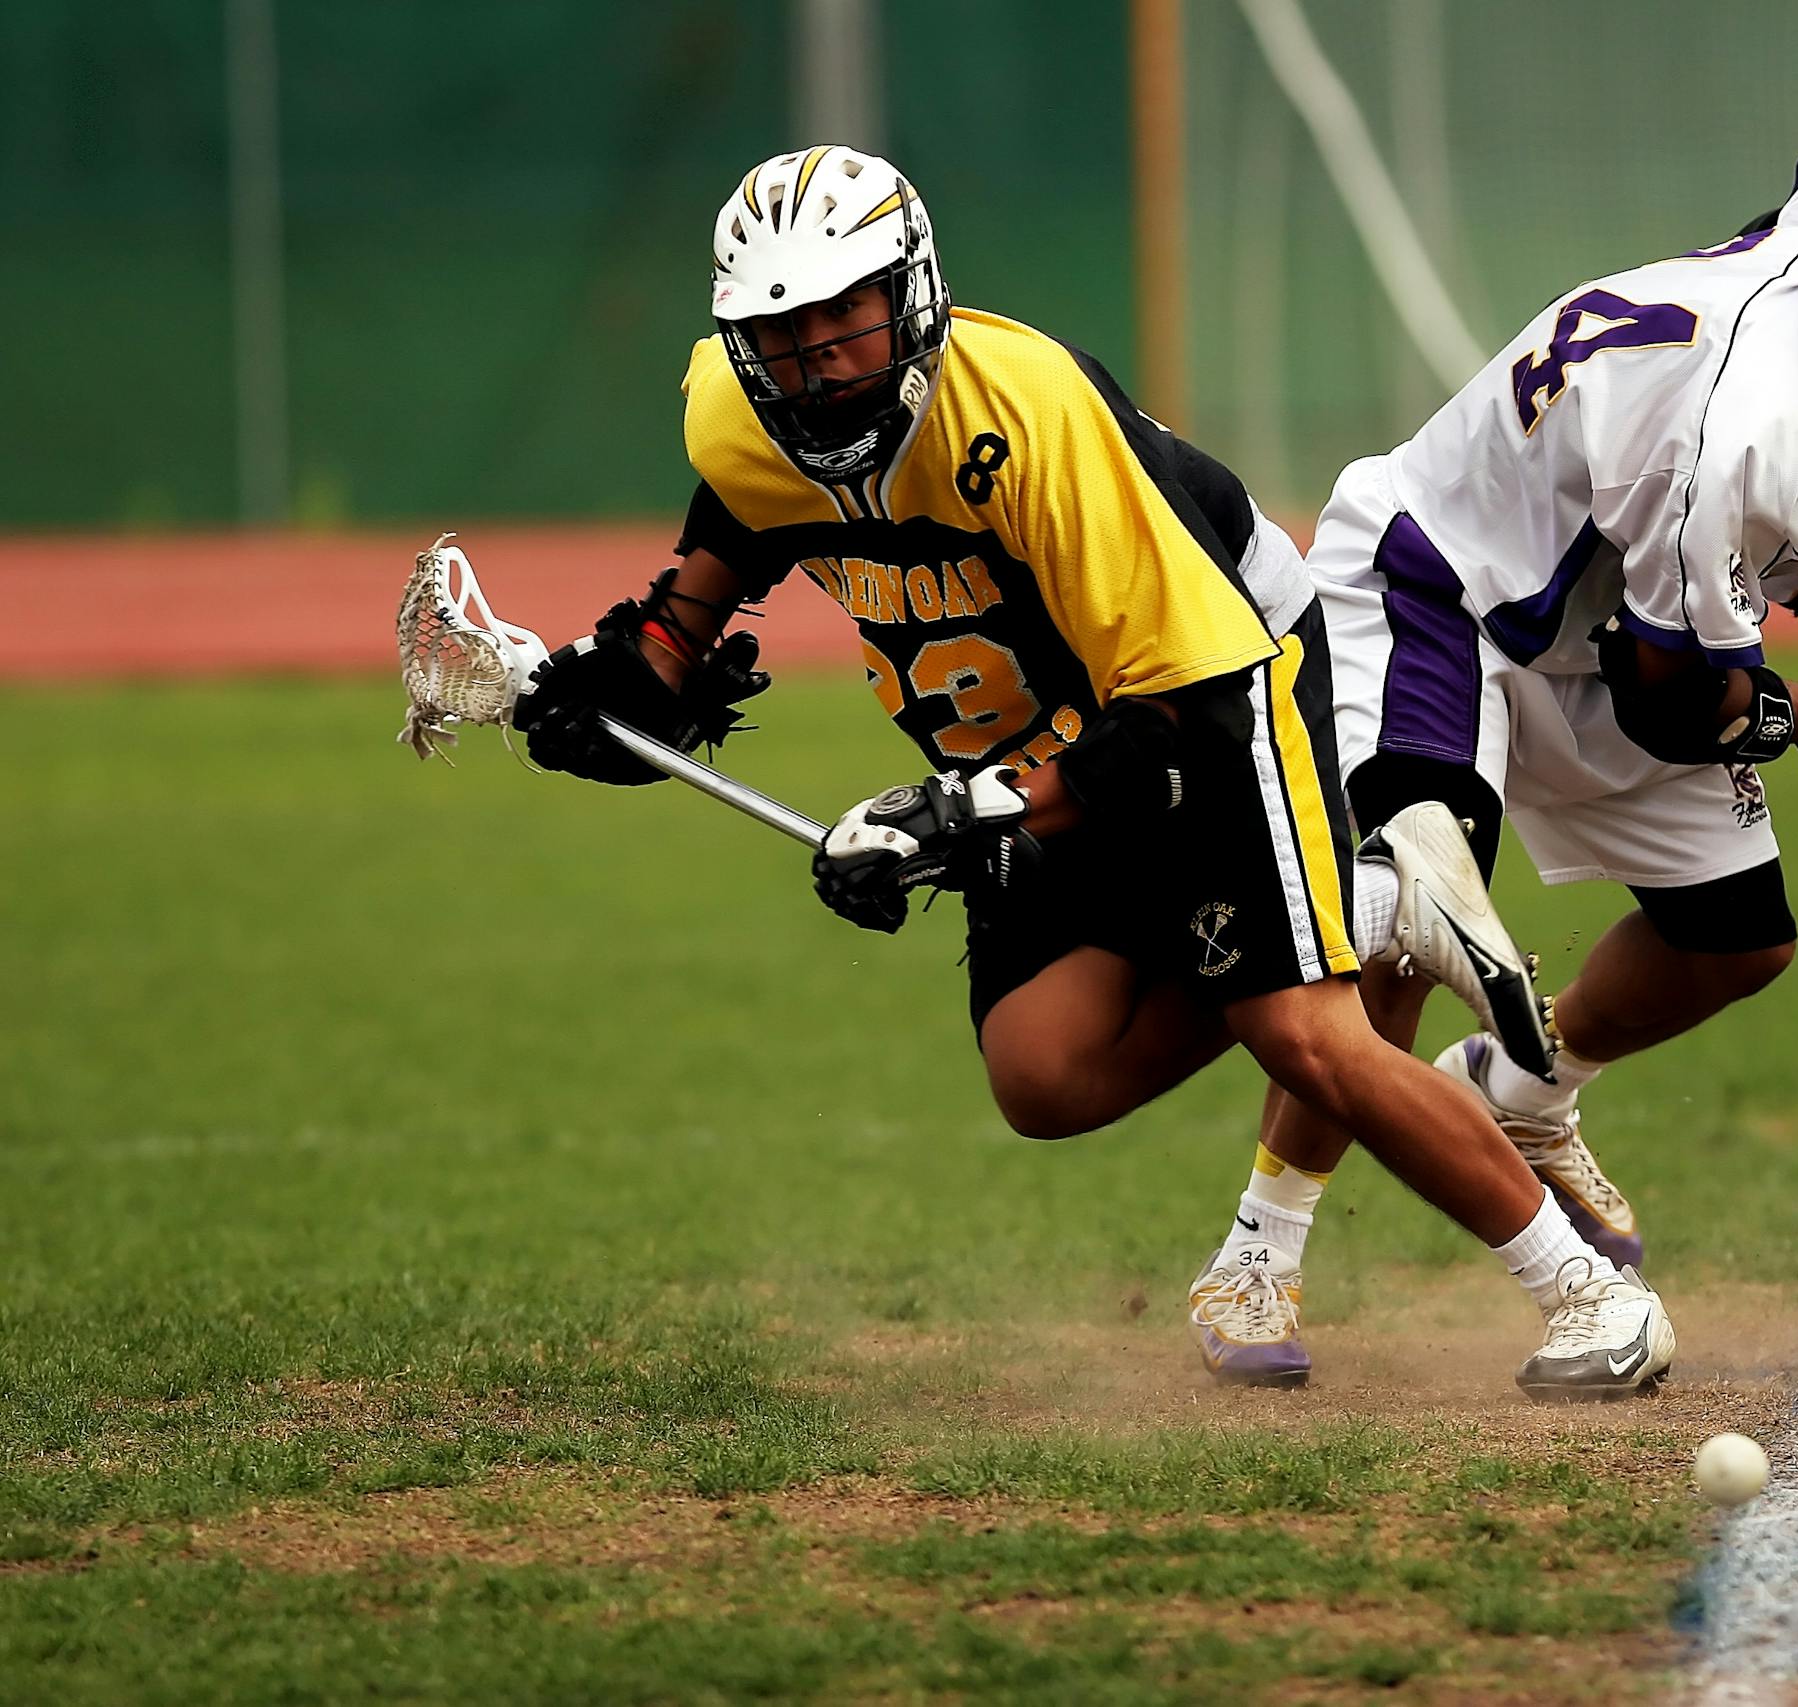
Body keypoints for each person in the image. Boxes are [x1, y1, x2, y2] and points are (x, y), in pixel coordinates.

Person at [507, 146, 1676, 1400]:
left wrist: (964, 814)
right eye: (782, 337)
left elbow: (1180, 709)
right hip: (1028, 741)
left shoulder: (1025, 419)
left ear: (911, 294)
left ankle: (1592, 1296)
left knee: (1298, 1030)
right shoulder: (739, 425)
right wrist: (626, 679)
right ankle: (1365, 906)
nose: (819, 361)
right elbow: (718, 560)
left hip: (1220, 675)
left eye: (844, 317)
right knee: (1045, 1072)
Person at [1185, 154, 1798, 1380]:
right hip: (1440, 589)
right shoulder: (1749, 438)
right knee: (1409, 933)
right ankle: (1256, 1254)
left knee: (1737, 938)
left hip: (1588, 619)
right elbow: (1677, 706)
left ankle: (1521, 1090)